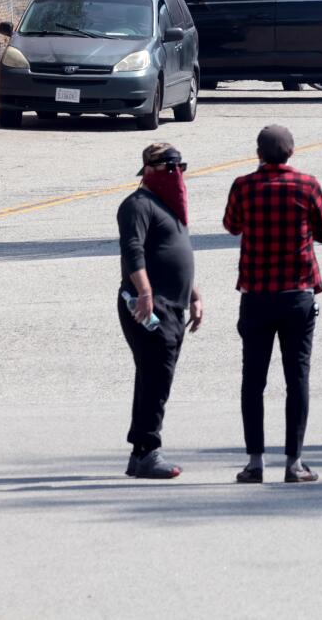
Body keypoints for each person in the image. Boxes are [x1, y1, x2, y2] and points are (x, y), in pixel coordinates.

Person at [222, 124, 322, 484]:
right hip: (297, 293)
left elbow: (231, 226)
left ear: (258, 153)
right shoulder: (307, 185)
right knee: (296, 377)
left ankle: (255, 462)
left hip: (256, 294)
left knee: (253, 380)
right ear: (292, 151)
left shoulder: (243, 185)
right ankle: (294, 462)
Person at [116, 142, 204, 479]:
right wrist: (145, 292)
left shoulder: (168, 206)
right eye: (171, 168)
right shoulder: (137, 205)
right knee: (156, 376)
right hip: (150, 306)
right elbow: (132, 251)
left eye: (180, 168)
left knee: (153, 376)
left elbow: (175, 253)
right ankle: (148, 451)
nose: (177, 174)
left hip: (172, 305)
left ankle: (140, 452)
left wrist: (194, 294)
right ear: (150, 171)